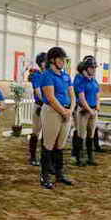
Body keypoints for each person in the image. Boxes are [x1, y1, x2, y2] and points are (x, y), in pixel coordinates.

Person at [39, 46, 75, 189]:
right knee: (48, 144)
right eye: (60, 59)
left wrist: (70, 110)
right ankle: (44, 176)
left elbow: (72, 94)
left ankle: (59, 174)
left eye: (64, 59)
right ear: (53, 60)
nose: (63, 61)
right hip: (52, 112)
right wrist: (63, 111)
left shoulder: (66, 75)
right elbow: (50, 97)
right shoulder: (47, 75)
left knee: (60, 145)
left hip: (66, 111)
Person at [74, 56, 100, 167]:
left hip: (93, 110)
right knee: (81, 134)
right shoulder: (81, 81)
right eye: (91, 67)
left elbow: (98, 96)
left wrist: (97, 107)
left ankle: (90, 157)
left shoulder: (95, 81)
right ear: (86, 68)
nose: (94, 69)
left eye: (94, 67)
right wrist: (90, 110)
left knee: (91, 134)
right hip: (84, 110)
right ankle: (79, 157)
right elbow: (81, 98)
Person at [29, 52, 47, 166]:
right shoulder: (37, 75)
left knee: (47, 133)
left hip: (49, 106)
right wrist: (46, 102)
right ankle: (32, 157)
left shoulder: (49, 75)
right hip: (40, 105)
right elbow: (38, 91)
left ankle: (44, 157)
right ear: (41, 63)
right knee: (36, 131)